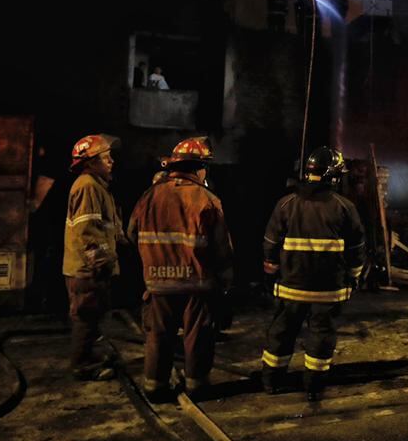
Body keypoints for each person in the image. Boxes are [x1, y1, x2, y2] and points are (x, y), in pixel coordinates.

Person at [128, 137, 234, 402]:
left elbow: (131, 234)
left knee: (159, 335)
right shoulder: (207, 199)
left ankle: (154, 387)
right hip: (196, 283)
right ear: (199, 168)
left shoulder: (149, 196)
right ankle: (196, 386)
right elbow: (222, 249)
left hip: (158, 282)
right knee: (198, 336)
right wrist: (224, 280)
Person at [260, 147, 366, 401]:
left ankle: (271, 381)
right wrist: (354, 276)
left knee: (282, 331)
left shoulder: (286, 204)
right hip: (328, 290)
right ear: (333, 176)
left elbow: (270, 243)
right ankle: (314, 385)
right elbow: (357, 248)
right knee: (321, 334)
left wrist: (271, 269)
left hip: (290, 287)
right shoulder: (345, 207)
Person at [63, 134, 126, 380]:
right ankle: (83, 366)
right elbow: (87, 231)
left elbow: (107, 226)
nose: (111, 161)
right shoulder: (88, 186)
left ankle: (90, 357)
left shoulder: (97, 186)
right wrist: (101, 264)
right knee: (86, 319)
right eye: (105, 157)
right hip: (87, 270)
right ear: (90, 162)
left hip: (89, 268)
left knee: (93, 317)